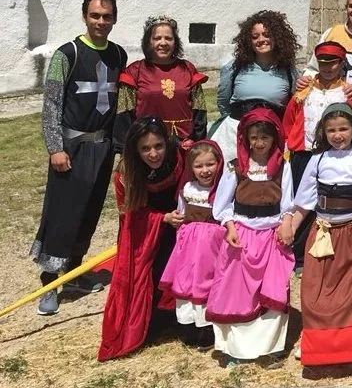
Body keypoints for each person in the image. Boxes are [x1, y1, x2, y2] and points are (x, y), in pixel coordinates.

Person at [31, 0, 128, 316]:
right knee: (62, 215)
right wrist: (55, 147)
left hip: (102, 148)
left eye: (107, 16)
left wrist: (119, 145)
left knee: (88, 213)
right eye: (95, 15)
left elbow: (120, 103)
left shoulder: (118, 55)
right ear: (85, 16)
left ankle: (73, 273)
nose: (101, 21)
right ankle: (49, 283)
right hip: (71, 149)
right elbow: (52, 104)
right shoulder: (67, 54)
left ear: (114, 19)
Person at [292, 103, 352, 365]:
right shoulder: (317, 160)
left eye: (343, 129)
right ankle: (316, 342)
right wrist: (292, 226)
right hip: (323, 233)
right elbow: (305, 201)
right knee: (315, 292)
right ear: (323, 131)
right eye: (331, 130)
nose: (337, 135)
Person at [206, 108, 296, 366]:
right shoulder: (236, 167)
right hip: (242, 235)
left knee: (273, 289)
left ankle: (269, 347)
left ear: (274, 138)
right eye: (254, 137)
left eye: (264, 137)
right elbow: (222, 205)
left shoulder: (282, 167)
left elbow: (288, 203)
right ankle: (237, 348)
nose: (259, 143)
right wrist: (230, 226)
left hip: (271, 236)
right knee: (238, 291)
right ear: (245, 138)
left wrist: (286, 223)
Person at [98, 117, 184, 361]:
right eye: (145, 148)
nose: (153, 154)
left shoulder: (180, 158)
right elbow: (130, 216)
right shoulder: (126, 172)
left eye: (158, 146)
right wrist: (162, 219)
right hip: (147, 232)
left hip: (180, 226)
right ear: (135, 149)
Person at [283, 41, 352, 271]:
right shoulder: (304, 90)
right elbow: (289, 120)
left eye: (332, 63)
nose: (327, 68)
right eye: (323, 63)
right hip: (303, 154)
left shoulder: (347, 92)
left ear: (341, 64)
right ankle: (297, 254)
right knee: (300, 203)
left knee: (325, 205)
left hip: (333, 156)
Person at [158, 140, 226, 352]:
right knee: (187, 285)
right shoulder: (188, 189)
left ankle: (208, 329)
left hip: (212, 250)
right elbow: (181, 214)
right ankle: (189, 326)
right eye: (199, 166)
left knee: (206, 285)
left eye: (210, 164)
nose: (205, 170)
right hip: (188, 249)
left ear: (219, 163)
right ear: (191, 168)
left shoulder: (222, 190)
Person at [210, 10, 300, 163]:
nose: (261, 40)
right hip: (235, 134)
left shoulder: (289, 72)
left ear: (277, 37)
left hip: (271, 137)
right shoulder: (234, 68)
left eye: (267, 34)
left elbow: (293, 106)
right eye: (255, 36)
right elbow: (224, 102)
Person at [115, 15, 207, 153]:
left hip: (184, 147)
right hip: (147, 148)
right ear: (148, 42)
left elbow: (199, 113)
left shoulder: (188, 69)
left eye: (168, 38)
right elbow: (124, 117)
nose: (163, 43)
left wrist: (198, 145)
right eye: (157, 38)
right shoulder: (135, 71)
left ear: (175, 42)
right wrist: (125, 150)